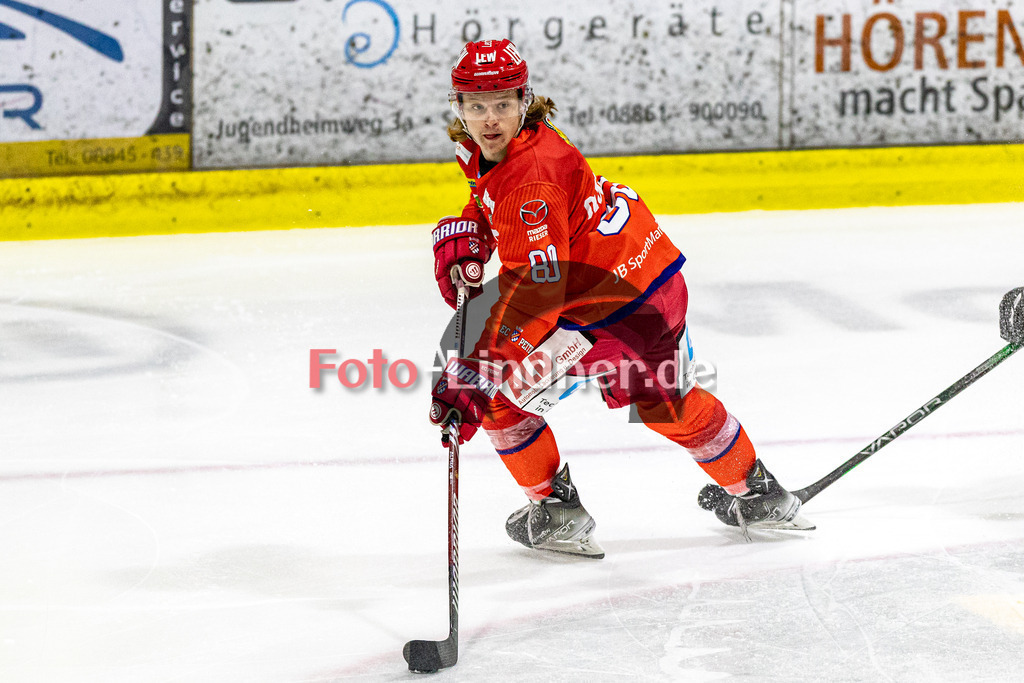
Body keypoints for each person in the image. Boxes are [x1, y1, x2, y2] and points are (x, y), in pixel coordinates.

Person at [427, 39, 812, 558]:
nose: (490, 118)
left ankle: (556, 511)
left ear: (525, 98)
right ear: (459, 107)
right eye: (477, 105)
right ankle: (759, 493)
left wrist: (476, 369)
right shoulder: (525, 141)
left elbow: (539, 289)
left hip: (606, 312)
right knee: (665, 403)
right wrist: (473, 230)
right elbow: (502, 198)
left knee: (493, 396)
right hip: (652, 284)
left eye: (502, 103)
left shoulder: (528, 177)